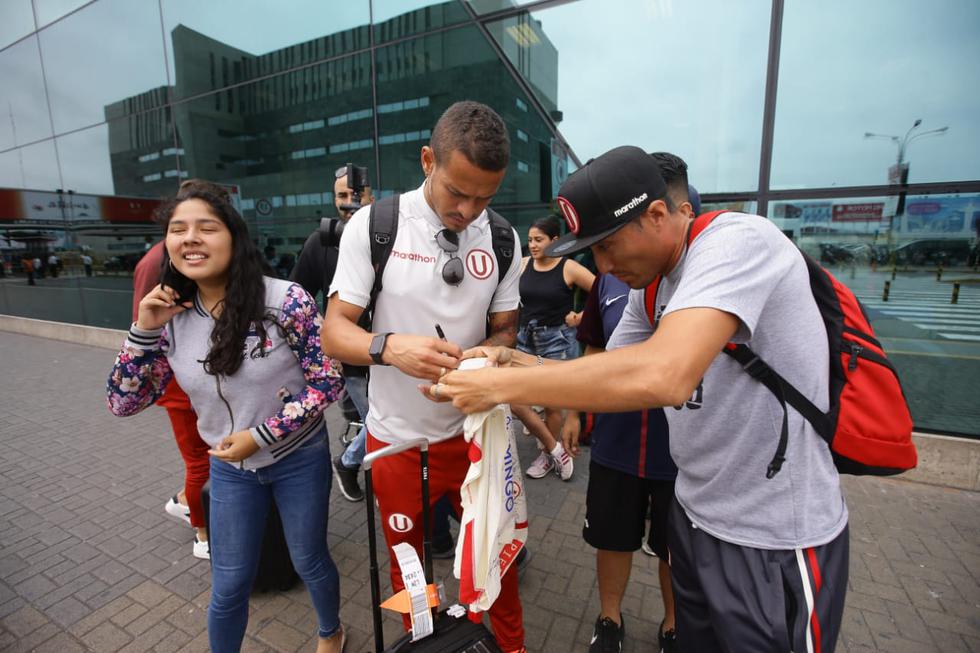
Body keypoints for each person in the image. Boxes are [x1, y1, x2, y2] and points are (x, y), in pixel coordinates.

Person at [436, 146, 849, 652]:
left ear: (657, 215)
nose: (603, 268)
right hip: (698, 520)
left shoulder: (738, 243)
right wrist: (513, 362)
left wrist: (499, 388)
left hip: (775, 536)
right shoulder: (649, 287)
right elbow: (607, 373)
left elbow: (666, 376)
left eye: (607, 247)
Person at [106, 180, 346, 653]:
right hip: (230, 470)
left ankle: (331, 631)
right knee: (230, 582)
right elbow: (123, 402)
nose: (190, 238)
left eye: (206, 227)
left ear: (234, 237)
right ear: (168, 246)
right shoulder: (169, 316)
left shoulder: (285, 301)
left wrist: (261, 435)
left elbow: (329, 381)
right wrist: (142, 331)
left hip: (299, 458)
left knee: (309, 559)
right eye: (178, 230)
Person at [321, 101, 525, 652]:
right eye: (458, 191)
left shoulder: (503, 238)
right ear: (428, 159)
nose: (468, 209)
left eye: (485, 196)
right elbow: (333, 333)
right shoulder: (376, 224)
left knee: (496, 565)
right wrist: (389, 348)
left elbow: (507, 329)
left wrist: (483, 353)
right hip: (397, 440)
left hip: (475, 435)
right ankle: (424, 642)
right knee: (409, 570)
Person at [292, 165, 375, 502]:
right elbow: (297, 300)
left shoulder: (387, 236)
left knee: (392, 420)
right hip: (352, 359)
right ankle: (349, 462)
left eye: (356, 195)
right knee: (384, 423)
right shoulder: (321, 242)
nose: (349, 202)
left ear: (371, 196)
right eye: (342, 196)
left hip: (393, 351)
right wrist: (323, 348)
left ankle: (362, 464)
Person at [132, 240, 211, 560]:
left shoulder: (172, 256)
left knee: (205, 462)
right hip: (181, 390)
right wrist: (143, 333)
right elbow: (123, 397)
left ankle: (182, 502)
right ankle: (203, 534)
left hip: (194, 386)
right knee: (200, 464)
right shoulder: (157, 261)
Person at [513, 215, 593, 480]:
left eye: (539, 240)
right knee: (517, 400)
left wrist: (580, 317)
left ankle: (548, 455)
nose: (533, 245)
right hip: (526, 340)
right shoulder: (523, 265)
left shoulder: (568, 267)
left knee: (552, 405)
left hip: (557, 341)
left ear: (554, 241)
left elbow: (602, 290)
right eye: (530, 240)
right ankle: (554, 447)